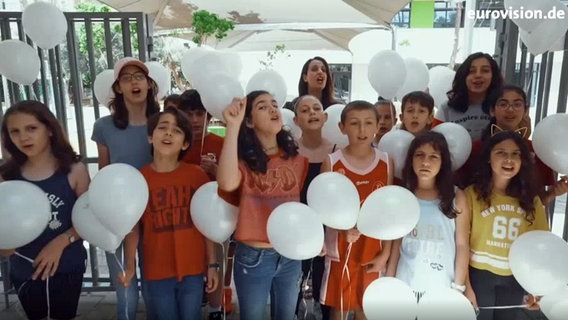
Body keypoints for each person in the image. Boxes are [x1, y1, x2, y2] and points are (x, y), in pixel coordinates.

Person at [118, 107, 219, 320]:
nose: (169, 133)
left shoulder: (196, 175)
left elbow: (206, 224)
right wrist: (129, 266)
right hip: (157, 269)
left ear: (185, 144)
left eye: (177, 130)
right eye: (162, 127)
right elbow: (133, 227)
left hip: (193, 268)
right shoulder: (139, 179)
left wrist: (212, 265)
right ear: (150, 137)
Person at [217, 91, 309, 320]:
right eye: (262, 106)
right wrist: (232, 126)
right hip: (254, 256)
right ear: (249, 121)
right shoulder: (242, 162)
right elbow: (227, 183)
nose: (272, 109)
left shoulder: (296, 160)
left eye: (274, 104)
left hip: (290, 254)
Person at [0, 100, 90, 320]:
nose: (23, 137)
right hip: (24, 267)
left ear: (49, 129)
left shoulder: (75, 170)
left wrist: (61, 242)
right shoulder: (6, 175)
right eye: (15, 131)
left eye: (31, 128)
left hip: (67, 265)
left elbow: (89, 219)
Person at [91, 57, 161, 320]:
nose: (134, 81)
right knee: (124, 285)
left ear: (149, 84)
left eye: (139, 76)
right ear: (118, 88)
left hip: (155, 210)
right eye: (126, 78)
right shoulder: (104, 127)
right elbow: (104, 171)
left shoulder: (162, 123)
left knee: (154, 284)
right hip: (117, 213)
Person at [319, 100, 394, 320]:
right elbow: (322, 208)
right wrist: (341, 229)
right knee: (340, 305)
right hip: (341, 245)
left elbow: (390, 214)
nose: (362, 130)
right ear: (342, 127)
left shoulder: (387, 162)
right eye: (354, 123)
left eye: (368, 123)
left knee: (366, 305)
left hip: (374, 245)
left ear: (378, 125)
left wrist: (386, 253)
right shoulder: (331, 162)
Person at [466, 130, 548, 320]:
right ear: (488, 157)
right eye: (501, 152)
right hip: (480, 274)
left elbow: (541, 246)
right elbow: (460, 243)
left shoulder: (531, 200)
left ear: (523, 161)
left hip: (514, 277)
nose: (508, 159)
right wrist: (465, 284)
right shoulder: (471, 194)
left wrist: (537, 287)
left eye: (515, 154)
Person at [385, 132, 475, 304]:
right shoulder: (404, 195)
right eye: (419, 155)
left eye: (434, 156)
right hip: (405, 285)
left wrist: (458, 287)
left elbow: (462, 245)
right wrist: (390, 280)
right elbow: (397, 243)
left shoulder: (457, 196)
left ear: (443, 162)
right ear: (411, 159)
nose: (425, 162)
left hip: (442, 289)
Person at [456, 85, 567, 203]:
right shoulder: (475, 149)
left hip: (523, 220)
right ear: (492, 110)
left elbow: (540, 200)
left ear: (526, 110)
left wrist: (553, 193)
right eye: (503, 104)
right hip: (481, 219)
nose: (510, 109)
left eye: (517, 104)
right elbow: (463, 196)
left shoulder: (536, 150)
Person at [178, 89, 226, 319]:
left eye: (200, 113)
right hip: (182, 217)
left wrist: (217, 172)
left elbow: (233, 182)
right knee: (190, 266)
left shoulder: (221, 143)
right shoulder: (176, 143)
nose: (195, 120)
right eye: (189, 113)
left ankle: (215, 309)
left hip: (215, 217)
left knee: (215, 262)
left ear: (209, 115)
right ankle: (192, 303)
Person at [292, 95, 336, 320]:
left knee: (323, 289)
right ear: (296, 120)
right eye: (305, 110)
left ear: (325, 116)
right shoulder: (288, 152)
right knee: (292, 291)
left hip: (327, 231)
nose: (312, 113)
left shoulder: (337, 152)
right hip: (294, 229)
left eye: (316, 108)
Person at [433, 52, 503, 142]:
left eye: (485, 70)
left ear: (494, 76)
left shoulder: (502, 106)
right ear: (463, 76)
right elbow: (434, 142)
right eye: (471, 71)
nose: (478, 75)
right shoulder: (446, 108)